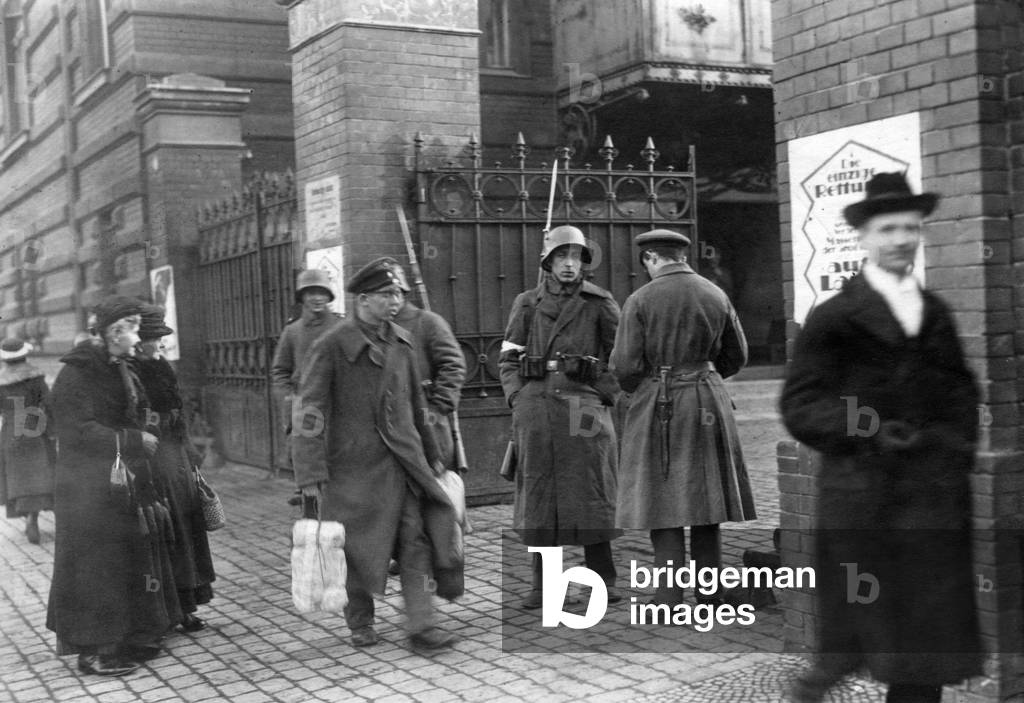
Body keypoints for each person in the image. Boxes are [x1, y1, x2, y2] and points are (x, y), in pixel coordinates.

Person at [780, 173, 980, 703]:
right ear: (864, 238)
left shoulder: (933, 311)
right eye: (888, 228)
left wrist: (953, 453)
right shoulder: (835, 317)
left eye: (911, 228)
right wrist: (867, 426)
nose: (900, 239)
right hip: (863, 499)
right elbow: (801, 405)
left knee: (924, 648)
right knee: (850, 638)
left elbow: (961, 393)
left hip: (931, 501)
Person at [291, 258, 461, 650]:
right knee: (354, 546)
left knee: (415, 540)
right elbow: (310, 411)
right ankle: (360, 622)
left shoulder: (402, 342)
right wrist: (310, 472)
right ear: (363, 299)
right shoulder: (331, 346)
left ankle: (421, 626)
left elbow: (416, 404)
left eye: (399, 294)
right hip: (351, 467)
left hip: (403, 463)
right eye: (387, 294)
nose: (395, 301)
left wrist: (433, 453)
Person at [609, 229, 756, 606]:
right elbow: (737, 356)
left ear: (651, 259)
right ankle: (710, 594)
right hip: (709, 399)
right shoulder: (715, 293)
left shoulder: (639, 299)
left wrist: (639, 388)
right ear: (682, 256)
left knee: (664, 503)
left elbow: (625, 365)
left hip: (661, 404)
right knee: (709, 502)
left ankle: (668, 599)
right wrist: (705, 374)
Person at [47, 296, 181, 676]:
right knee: (93, 567)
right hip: (85, 488)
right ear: (115, 332)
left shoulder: (117, 365)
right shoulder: (78, 372)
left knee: (120, 562)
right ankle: (93, 652)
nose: (138, 335)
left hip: (114, 482)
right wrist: (133, 440)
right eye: (134, 326)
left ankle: (121, 639)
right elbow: (79, 430)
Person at [499, 225, 622, 609]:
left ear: (584, 263)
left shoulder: (600, 303)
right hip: (536, 407)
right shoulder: (527, 303)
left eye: (575, 258)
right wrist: (518, 397)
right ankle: (544, 587)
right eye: (561, 257)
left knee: (591, 490)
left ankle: (602, 581)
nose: (568, 265)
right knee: (540, 495)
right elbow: (508, 358)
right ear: (548, 262)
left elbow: (621, 358)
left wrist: (601, 390)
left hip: (582, 406)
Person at [134, 304, 216, 634]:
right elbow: (141, 417)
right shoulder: (132, 372)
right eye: (156, 338)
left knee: (186, 530)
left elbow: (177, 411)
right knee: (168, 533)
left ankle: (186, 605)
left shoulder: (161, 366)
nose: (162, 344)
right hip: (154, 461)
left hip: (176, 458)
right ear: (140, 342)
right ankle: (170, 610)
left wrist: (190, 454)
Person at [271, 269, 342, 443]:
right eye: (311, 293)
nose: (317, 298)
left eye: (322, 292)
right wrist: (290, 406)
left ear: (329, 296)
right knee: (307, 460)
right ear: (302, 297)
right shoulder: (292, 331)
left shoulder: (342, 327)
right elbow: (280, 372)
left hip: (339, 408)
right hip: (306, 409)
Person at [0, 338, 56, 544]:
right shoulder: (36, 376)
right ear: (25, 355)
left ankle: (28, 517)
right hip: (36, 427)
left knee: (17, 474)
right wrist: (53, 429)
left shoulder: (1, 380)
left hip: (11, 432)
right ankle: (34, 516)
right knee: (42, 470)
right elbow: (49, 404)